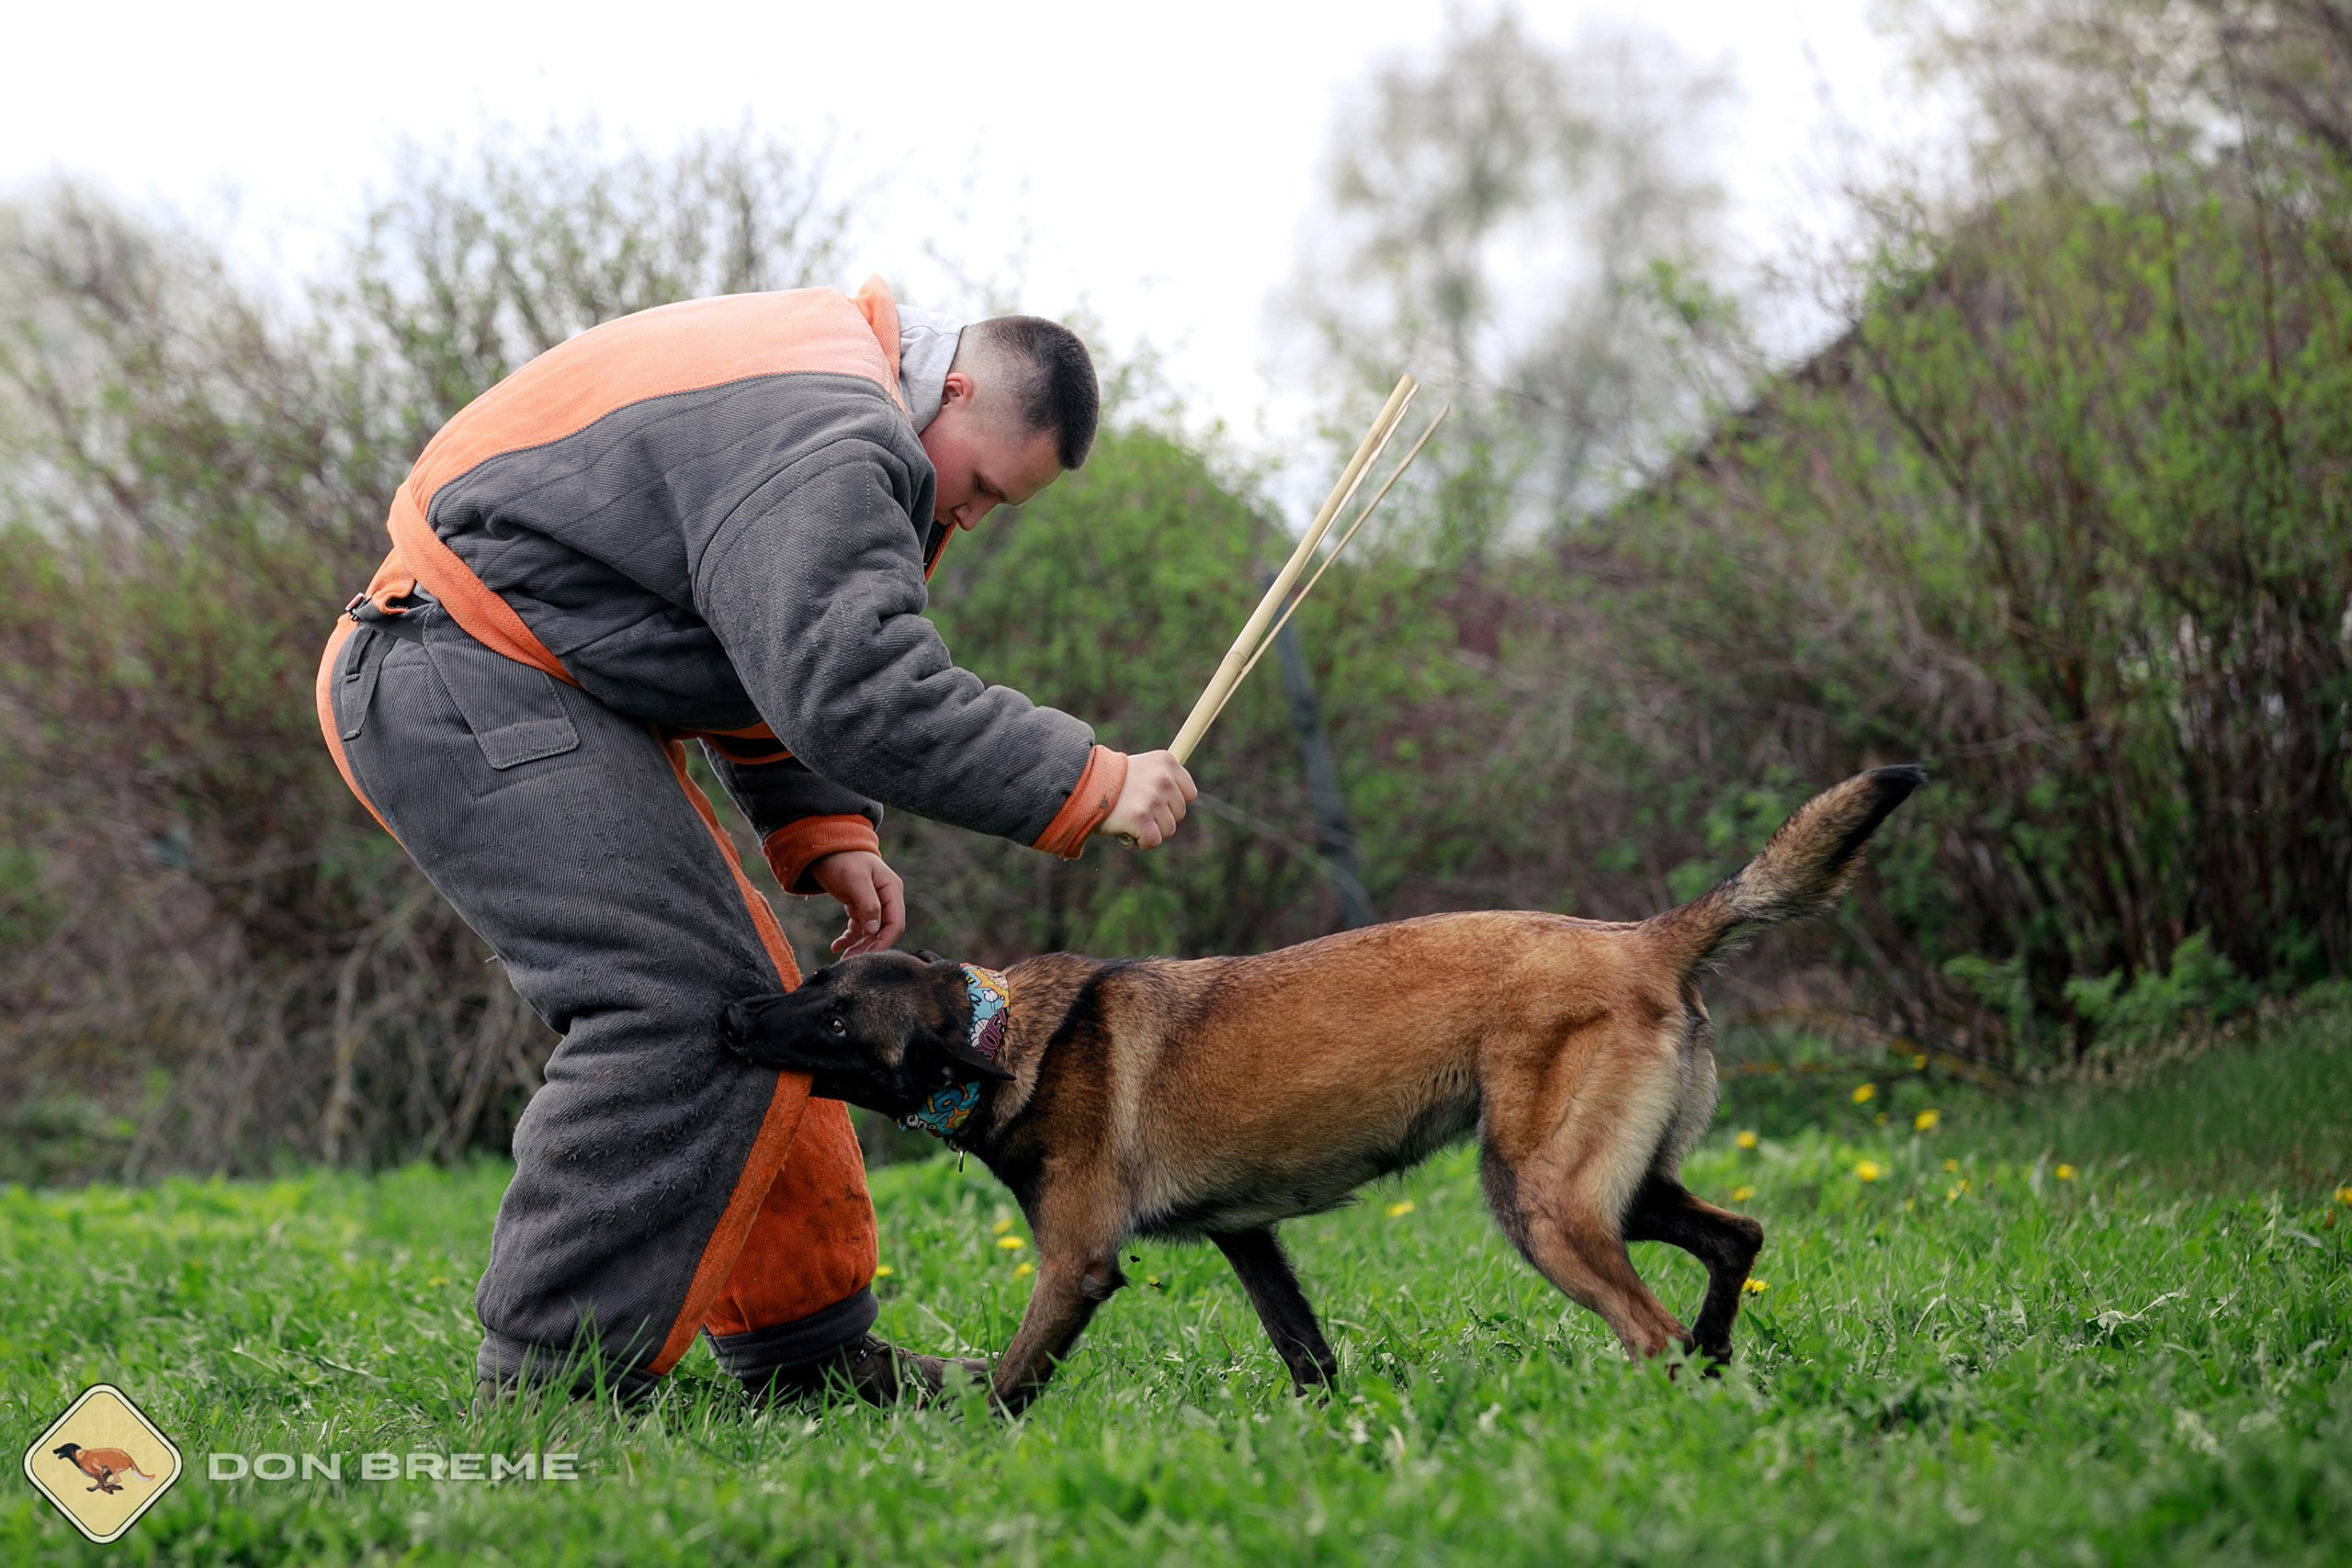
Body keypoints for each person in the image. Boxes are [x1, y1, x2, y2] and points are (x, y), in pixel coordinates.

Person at [313, 276, 1196, 1406]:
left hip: (507, 671)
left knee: (765, 1012)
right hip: (452, 667)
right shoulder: (838, 426)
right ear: (956, 387)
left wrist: (820, 827)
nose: (967, 518)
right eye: (980, 486)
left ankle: (804, 1354)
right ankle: (547, 1390)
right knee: (677, 1007)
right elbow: (852, 684)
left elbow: (742, 643)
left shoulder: (822, 369)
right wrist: (1087, 778)